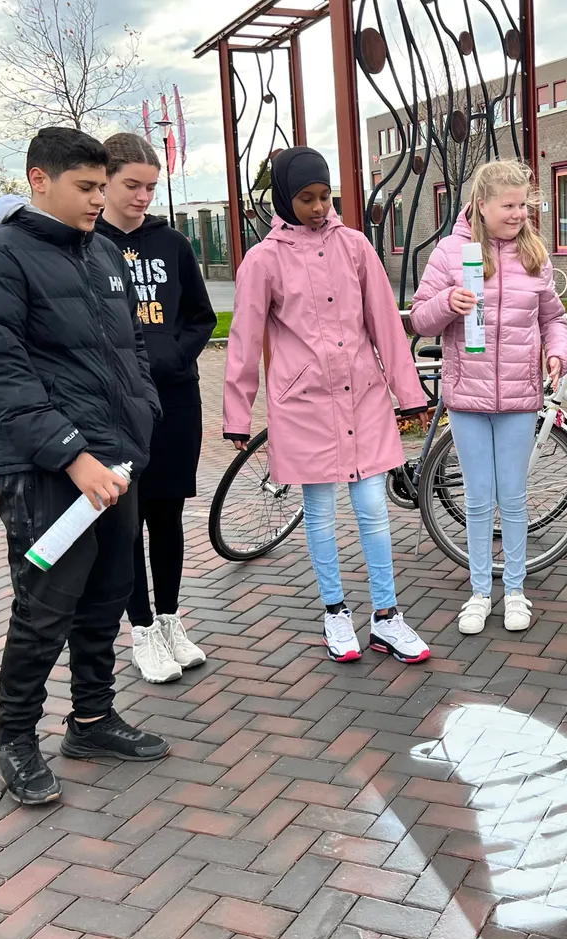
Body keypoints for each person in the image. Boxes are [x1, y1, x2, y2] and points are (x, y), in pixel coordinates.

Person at [0, 127, 170, 805]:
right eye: (87, 188)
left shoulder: (103, 252)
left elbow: (131, 341)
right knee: (45, 608)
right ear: (38, 180)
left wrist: (144, 409)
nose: (99, 200)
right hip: (46, 472)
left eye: (104, 187)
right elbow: (0, 376)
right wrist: (73, 457)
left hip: (116, 466)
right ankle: (15, 739)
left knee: (107, 595)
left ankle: (92, 718)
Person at [223, 147, 433, 664]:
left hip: (362, 396)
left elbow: (384, 320)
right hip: (305, 404)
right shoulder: (264, 259)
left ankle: (387, 616)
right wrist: (237, 413)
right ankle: (335, 611)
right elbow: (244, 339)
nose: (319, 207)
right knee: (318, 512)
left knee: (372, 508)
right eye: (306, 198)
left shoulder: (356, 246)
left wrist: (409, 394)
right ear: (284, 198)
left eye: (324, 196)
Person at [409, 161, 567, 635]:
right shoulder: (450, 253)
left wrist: (557, 352)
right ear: (482, 205)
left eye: (524, 205)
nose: (520, 213)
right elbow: (420, 318)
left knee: (514, 499)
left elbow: (554, 319)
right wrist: (447, 304)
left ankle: (516, 591)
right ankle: (480, 593)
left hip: (520, 398)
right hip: (467, 399)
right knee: (479, 501)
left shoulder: (536, 255)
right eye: (510, 205)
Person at [97, 133, 214, 684]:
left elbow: (201, 316)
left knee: (166, 515)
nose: (143, 197)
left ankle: (169, 620)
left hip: (174, 400)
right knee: (127, 521)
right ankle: (140, 628)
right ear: (107, 179)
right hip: (117, 408)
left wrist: (173, 357)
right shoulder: (88, 245)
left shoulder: (173, 245)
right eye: (132, 186)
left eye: (151, 186)